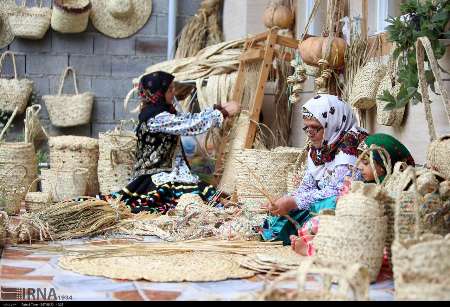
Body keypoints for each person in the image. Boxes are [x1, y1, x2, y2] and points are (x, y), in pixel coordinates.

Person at [101, 71, 240, 214]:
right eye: (169, 90)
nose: (173, 93)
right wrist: (223, 113)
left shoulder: (161, 112)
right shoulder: (157, 118)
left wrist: (216, 109)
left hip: (171, 170)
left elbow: (187, 117)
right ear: (159, 93)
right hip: (157, 175)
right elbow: (189, 124)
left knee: (202, 196)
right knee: (185, 200)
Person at [258, 94, 368, 245]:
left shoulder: (350, 149)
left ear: (333, 124)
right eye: (307, 128)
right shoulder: (320, 149)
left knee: (331, 203)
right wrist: (284, 201)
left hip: (345, 208)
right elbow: (307, 186)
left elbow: (339, 191)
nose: (310, 135)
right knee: (288, 208)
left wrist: (294, 201)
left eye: (315, 128)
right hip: (320, 203)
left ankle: (309, 238)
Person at [290, 133, 415, 256]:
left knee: (351, 239)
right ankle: (311, 240)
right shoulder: (367, 183)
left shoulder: (394, 188)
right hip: (357, 223)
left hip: (374, 231)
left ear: (383, 166)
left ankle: (315, 249)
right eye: (359, 161)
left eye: (366, 163)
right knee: (319, 221)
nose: (359, 167)